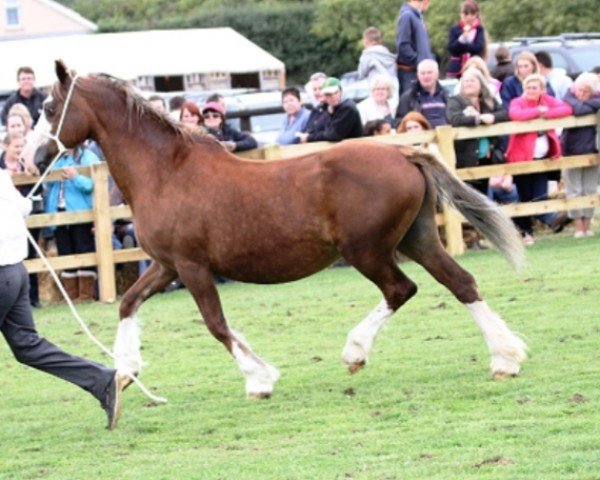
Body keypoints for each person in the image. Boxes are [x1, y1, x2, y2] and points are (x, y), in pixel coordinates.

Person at [0, 167, 127, 429]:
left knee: (28, 345)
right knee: (27, 346)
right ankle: (102, 380)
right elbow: (24, 207)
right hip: (16, 272)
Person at [506, 73, 573, 245]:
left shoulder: (547, 100)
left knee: (540, 196)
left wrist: (547, 114)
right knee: (525, 196)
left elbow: (566, 109)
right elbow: (515, 114)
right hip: (522, 159)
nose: (530, 90)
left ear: (542, 89)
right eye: (527, 87)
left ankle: (550, 221)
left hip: (543, 158)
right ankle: (530, 231)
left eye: (534, 87)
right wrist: (537, 112)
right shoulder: (518, 101)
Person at [45, 146, 102, 300]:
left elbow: (92, 184)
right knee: (65, 252)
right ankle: (70, 296)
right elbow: (47, 181)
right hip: (59, 212)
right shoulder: (58, 159)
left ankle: (86, 295)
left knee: (83, 250)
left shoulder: (88, 157)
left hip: (81, 213)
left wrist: (75, 177)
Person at [446, 67, 508, 195]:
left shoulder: (488, 100)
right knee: (468, 194)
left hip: (486, 156)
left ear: (480, 83)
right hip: (465, 157)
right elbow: (454, 118)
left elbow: (505, 113)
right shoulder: (455, 101)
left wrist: (493, 117)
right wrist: (478, 119)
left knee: (484, 193)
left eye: (472, 81)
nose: (469, 84)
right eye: (466, 81)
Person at [0, 133, 42, 307]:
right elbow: (24, 206)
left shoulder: (8, 175)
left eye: (20, 146)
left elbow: (30, 201)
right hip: (14, 265)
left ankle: (34, 298)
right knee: (23, 333)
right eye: (15, 146)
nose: (18, 150)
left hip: (6, 267)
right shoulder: (3, 175)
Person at [561, 72, 600, 238]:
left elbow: (580, 107)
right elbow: (576, 108)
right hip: (571, 149)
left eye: (586, 92)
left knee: (590, 188)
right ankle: (578, 226)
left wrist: (585, 105)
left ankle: (588, 225)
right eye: (580, 90)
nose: (581, 94)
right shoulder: (568, 96)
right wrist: (588, 105)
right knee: (574, 189)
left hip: (592, 149)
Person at [298, 77, 363, 143]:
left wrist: (309, 138)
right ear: (324, 95)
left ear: (340, 92)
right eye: (328, 94)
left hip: (353, 150)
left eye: (335, 93)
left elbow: (333, 135)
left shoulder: (347, 108)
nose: (332, 96)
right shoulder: (328, 107)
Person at [395, 59, 449, 128]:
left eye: (429, 73)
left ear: (437, 74)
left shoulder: (447, 95)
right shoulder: (408, 97)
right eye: (423, 73)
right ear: (418, 76)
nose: (426, 76)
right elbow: (399, 122)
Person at [396, 0, 433, 97]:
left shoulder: (418, 18)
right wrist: (420, 62)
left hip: (421, 73)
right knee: (410, 106)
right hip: (410, 74)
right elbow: (403, 46)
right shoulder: (407, 16)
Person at [446, 0, 487, 79]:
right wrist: (461, 40)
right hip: (457, 68)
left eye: (472, 14)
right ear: (461, 14)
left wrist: (465, 44)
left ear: (476, 14)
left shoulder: (479, 29)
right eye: (465, 14)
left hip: (474, 65)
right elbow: (452, 49)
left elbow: (478, 47)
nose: (468, 17)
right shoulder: (455, 29)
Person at [357, 27, 399, 96]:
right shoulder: (387, 53)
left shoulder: (367, 54)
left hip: (377, 90)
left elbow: (361, 74)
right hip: (391, 88)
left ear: (366, 40)